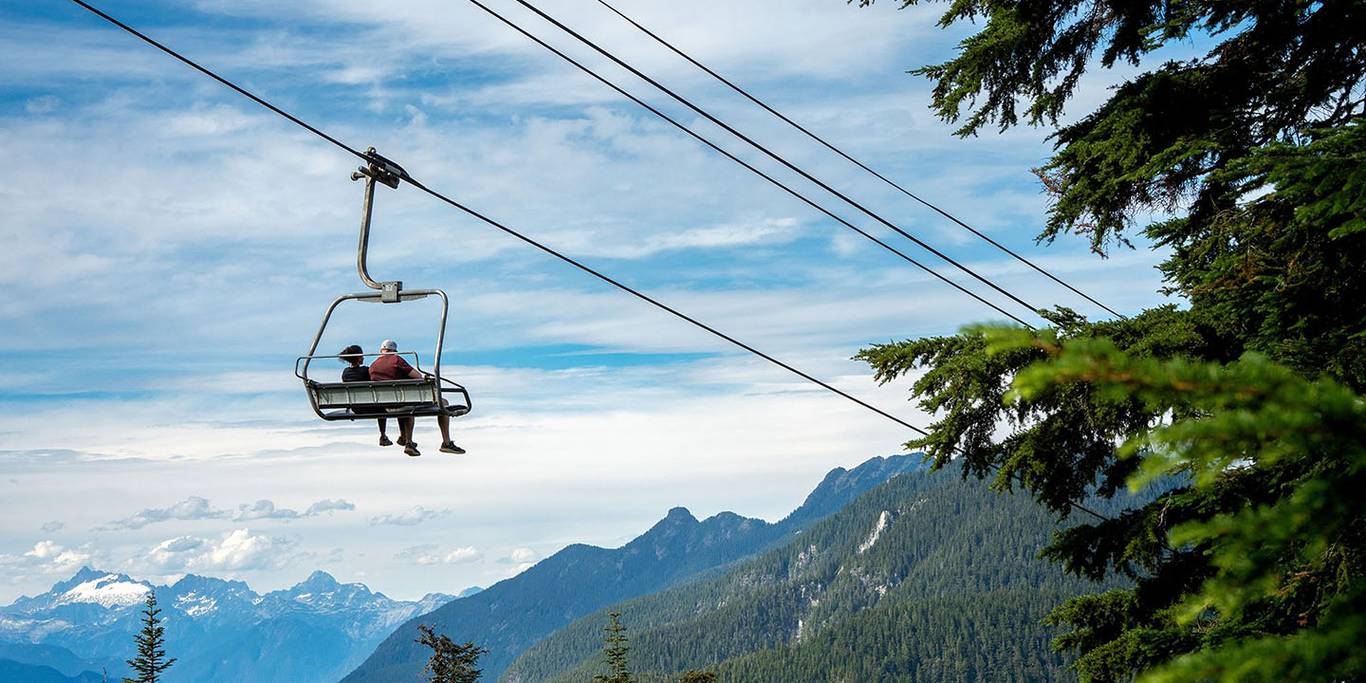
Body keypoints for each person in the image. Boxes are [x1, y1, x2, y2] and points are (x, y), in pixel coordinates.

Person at [369, 339, 465, 456]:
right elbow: (418, 376)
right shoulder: (396, 360)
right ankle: (446, 442)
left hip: (385, 405)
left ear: (381, 350)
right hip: (403, 404)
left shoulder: (373, 366)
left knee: (402, 403)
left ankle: (404, 437)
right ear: (395, 351)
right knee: (443, 403)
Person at [339, 344, 394, 447]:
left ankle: (383, 436)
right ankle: (383, 435)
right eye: (362, 356)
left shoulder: (345, 373)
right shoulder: (365, 371)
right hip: (371, 407)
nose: (363, 357)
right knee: (381, 410)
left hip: (356, 408)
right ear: (359, 357)